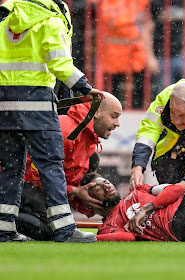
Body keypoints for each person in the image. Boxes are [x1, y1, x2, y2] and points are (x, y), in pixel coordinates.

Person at [0, 0, 107, 242]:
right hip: (36, 105)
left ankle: (3, 229)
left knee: (10, 169)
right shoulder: (50, 17)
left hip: (4, 106)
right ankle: (64, 230)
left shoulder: (5, 15)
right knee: (50, 166)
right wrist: (84, 88)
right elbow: (59, 63)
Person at [18, 93, 122, 241]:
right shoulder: (67, 133)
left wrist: (91, 202)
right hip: (19, 182)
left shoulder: (85, 140)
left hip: (27, 183)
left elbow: (61, 180)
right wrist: (73, 191)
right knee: (52, 229)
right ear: (97, 112)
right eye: (114, 116)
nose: (118, 123)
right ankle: (6, 222)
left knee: (56, 225)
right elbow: (31, 173)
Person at [98, 0, 158, 109]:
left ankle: (138, 113)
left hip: (136, 52)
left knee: (141, 90)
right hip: (113, 55)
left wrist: (150, 57)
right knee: (112, 92)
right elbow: (112, 21)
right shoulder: (107, 3)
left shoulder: (140, 2)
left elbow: (146, 27)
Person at [150, 0, 185, 96]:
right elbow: (147, 30)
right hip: (161, 55)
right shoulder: (156, 3)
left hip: (182, 54)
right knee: (165, 93)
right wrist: (150, 57)